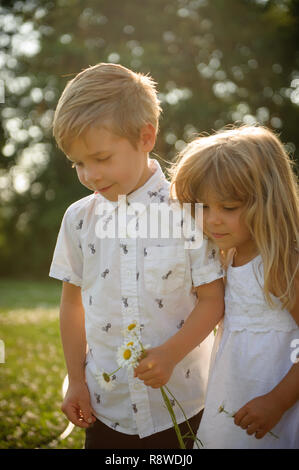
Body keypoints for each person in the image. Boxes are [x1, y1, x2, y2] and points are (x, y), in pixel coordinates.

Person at [49, 62, 224, 449]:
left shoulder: (188, 213)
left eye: (101, 158)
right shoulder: (78, 219)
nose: (90, 175)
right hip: (105, 405)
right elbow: (72, 305)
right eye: (78, 163)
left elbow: (213, 300)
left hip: (184, 405)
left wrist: (171, 354)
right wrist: (76, 381)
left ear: (146, 137)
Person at [163, 125, 299, 448]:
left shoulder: (280, 265)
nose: (212, 220)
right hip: (233, 395)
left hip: (274, 403)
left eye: (228, 207)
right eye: (203, 207)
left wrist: (278, 401)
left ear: (267, 201)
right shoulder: (227, 255)